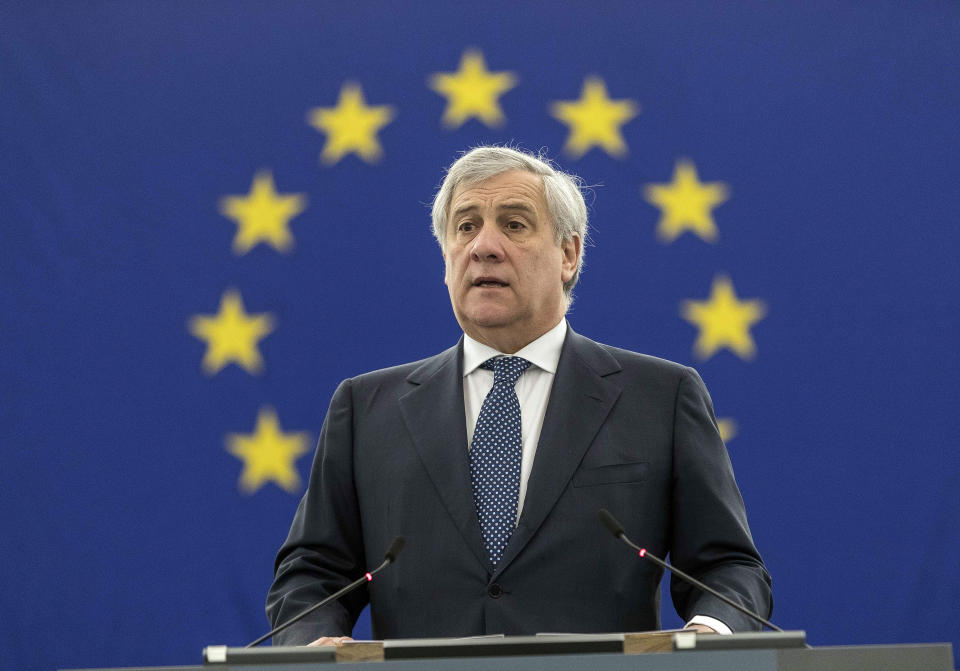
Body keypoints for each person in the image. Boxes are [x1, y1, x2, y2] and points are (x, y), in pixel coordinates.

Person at [266, 146, 772, 646]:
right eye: (465, 227)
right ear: (446, 258)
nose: (483, 246)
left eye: (514, 224)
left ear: (568, 255)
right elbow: (312, 572)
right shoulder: (364, 408)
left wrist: (709, 635)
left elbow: (727, 567)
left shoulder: (660, 397)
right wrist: (314, 644)